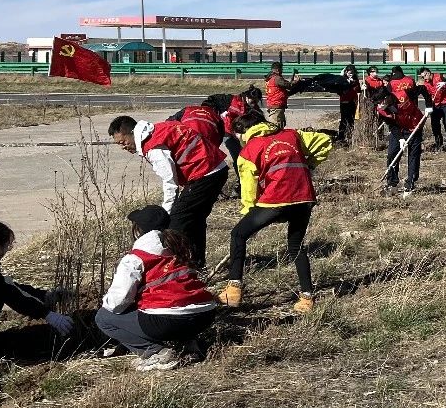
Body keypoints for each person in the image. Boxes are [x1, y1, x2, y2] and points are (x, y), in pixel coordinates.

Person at [217, 111, 332, 313]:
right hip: (304, 197)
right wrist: (309, 164)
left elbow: (248, 187)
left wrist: (249, 210)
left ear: (243, 132)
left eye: (238, 136)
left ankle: (233, 291)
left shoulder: (249, 150)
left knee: (238, 234)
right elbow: (323, 140)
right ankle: (307, 298)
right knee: (296, 246)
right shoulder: (292, 135)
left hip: (276, 199)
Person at [95, 205, 219, 371]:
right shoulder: (180, 249)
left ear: (138, 230)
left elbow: (118, 301)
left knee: (104, 317)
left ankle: (155, 353)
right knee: (178, 301)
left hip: (168, 320)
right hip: (205, 315)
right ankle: (190, 344)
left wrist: (107, 302)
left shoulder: (135, 258)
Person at [108, 114, 228, 266]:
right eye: (119, 144)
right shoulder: (156, 130)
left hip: (207, 172)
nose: (123, 147)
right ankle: (196, 264)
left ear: (132, 132)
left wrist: (165, 214)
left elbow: (170, 183)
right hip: (213, 168)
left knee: (177, 222)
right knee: (194, 218)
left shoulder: (153, 147)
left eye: (123, 142)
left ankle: (178, 266)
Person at [0, 212, 76, 351]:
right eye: (7, 246)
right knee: (14, 345)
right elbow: (12, 294)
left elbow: (11, 286)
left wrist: (45, 295)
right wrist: (48, 315)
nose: (8, 250)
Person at [377, 83, 431, 196]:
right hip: (398, 130)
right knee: (392, 154)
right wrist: (401, 139)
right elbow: (392, 125)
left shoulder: (404, 94)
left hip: (415, 127)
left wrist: (428, 105)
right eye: (378, 103)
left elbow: (422, 88)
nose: (380, 105)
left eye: (381, 102)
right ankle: (392, 183)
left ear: (387, 97)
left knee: (413, 155)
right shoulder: (381, 110)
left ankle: (410, 184)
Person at [420, 67, 446, 150]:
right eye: (422, 77)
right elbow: (428, 97)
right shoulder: (426, 84)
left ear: (428, 73)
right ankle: (439, 143)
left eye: (424, 76)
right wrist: (429, 107)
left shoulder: (440, 76)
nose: (424, 78)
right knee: (435, 124)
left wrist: (445, 82)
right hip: (436, 105)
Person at [264, 62, 297, 131]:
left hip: (273, 104)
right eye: (281, 69)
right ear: (278, 70)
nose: (282, 71)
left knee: (281, 124)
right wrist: (295, 81)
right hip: (276, 105)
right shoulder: (277, 79)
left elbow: (281, 90)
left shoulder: (270, 78)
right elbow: (288, 85)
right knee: (276, 127)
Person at [338, 65, 360, 145]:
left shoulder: (355, 80)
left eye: (352, 73)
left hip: (352, 102)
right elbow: (341, 91)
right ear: (346, 72)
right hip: (345, 102)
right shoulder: (343, 80)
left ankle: (349, 137)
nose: (350, 74)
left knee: (351, 120)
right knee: (344, 120)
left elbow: (358, 90)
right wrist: (348, 82)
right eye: (349, 73)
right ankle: (341, 138)